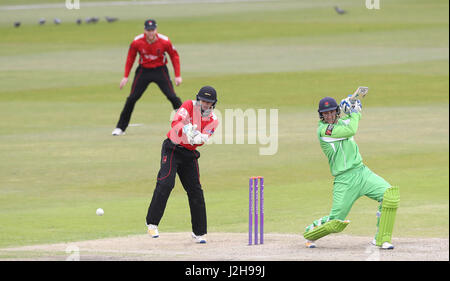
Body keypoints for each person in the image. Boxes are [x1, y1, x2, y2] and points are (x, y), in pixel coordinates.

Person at [302, 96, 400, 249]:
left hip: (362, 173)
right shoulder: (324, 130)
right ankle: (310, 234)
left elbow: (351, 119)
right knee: (336, 222)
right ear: (321, 115)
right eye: (325, 113)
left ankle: (382, 239)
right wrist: (354, 113)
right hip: (344, 180)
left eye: (331, 112)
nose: (329, 116)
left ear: (336, 111)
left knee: (390, 195)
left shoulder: (342, 122)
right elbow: (351, 129)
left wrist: (353, 107)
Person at [145, 86, 219, 243]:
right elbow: (175, 122)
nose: (205, 105)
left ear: (213, 104)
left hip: (189, 155)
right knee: (166, 183)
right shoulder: (188, 105)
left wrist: (199, 138)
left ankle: (198, 232)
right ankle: (152, 223)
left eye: (209, 103)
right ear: (198, 99)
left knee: (195, 191)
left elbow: (202, 140)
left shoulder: (213, 120)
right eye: (203, 101)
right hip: (172, 148)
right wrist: (187, 128)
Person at [112, 19, 183, 136]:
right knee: (132, 99)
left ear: (156, 30)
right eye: (148, 30)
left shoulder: (165, 41)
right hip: (143, 71)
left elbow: (174, 56)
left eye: (152, 30)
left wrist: (178, 75)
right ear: (144, 30)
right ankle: (120, 128)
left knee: (172, 96)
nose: (150, 33)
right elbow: (130, 58)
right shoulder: (137, 41)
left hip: (160, 70)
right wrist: (125, 76)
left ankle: (186, 125)